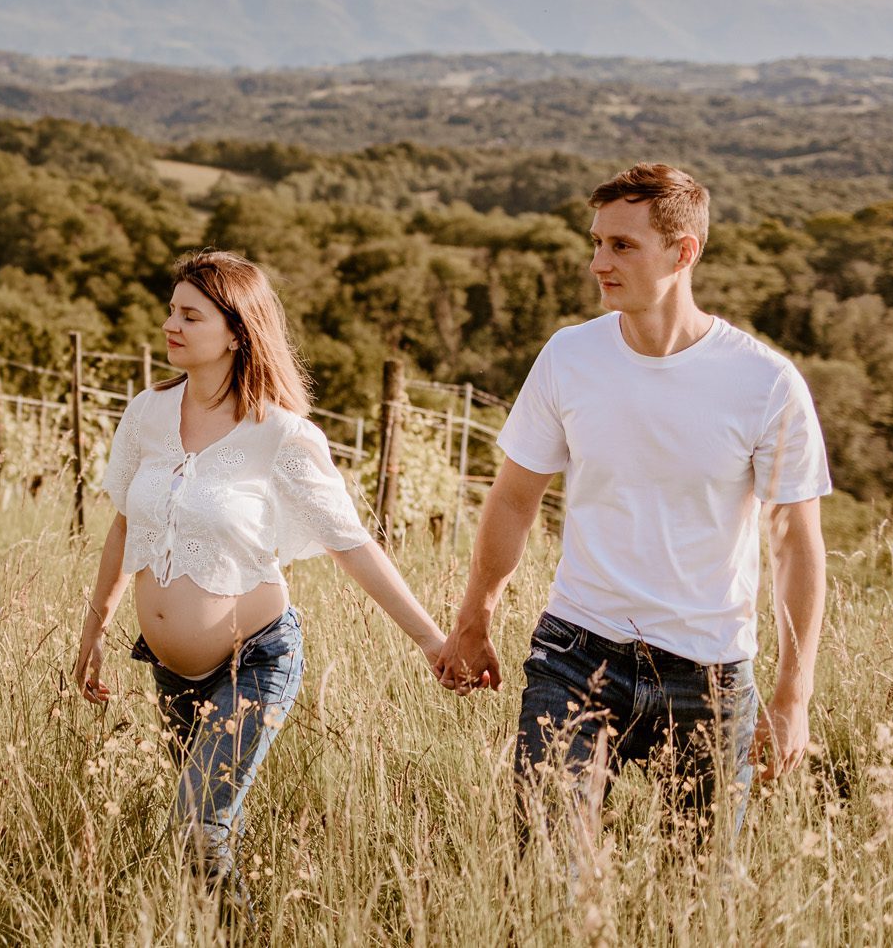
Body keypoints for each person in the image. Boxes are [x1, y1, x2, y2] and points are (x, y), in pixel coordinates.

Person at [434, 163, 830, 849]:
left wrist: (793, 695)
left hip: (710, 672)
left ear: (684, 252)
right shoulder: (569, 356)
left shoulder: (765, 383)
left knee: (701, 895)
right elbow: (513, 499)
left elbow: (797, 544)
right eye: (596, 242)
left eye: (622, 245)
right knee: (548, 876)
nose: (598, 262)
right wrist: (475, 617)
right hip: (574, 653)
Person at [74, 249, 446, 910]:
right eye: (171, 310)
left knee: (196, 828)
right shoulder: (147, 413)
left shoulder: (278, 433)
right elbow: (125, 525)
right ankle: (229, 924)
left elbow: (352, 543)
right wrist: (93, 632)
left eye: (190, 314)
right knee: (211, 830)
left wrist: (434, 642)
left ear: (238, 330)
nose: (171, 324)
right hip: (169, 672)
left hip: (255, 661)